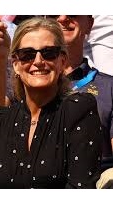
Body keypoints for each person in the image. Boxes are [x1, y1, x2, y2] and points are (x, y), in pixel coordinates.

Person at [0, 17, 102, 189]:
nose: (38, 61)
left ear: (62, 61)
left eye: (49, 53)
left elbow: (80, 187)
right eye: (27, 55)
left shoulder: (78, 109)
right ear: (16, 65)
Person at [47, 15, 113, 167]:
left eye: (73, 12)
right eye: (53, 13)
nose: (63, 17)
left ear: (89, 24)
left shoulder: (109, 87)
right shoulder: (24, 79)